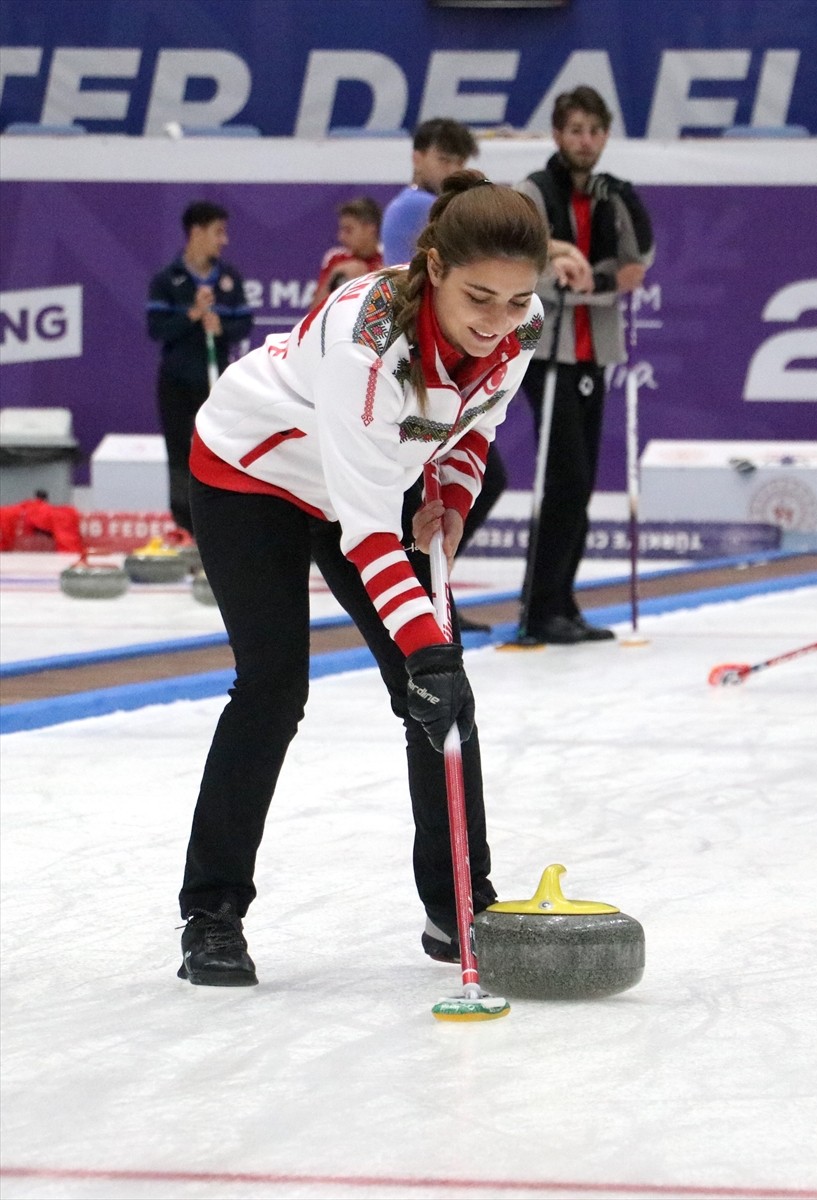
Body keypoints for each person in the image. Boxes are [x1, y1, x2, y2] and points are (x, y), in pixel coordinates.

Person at [176, 171, 548, 987]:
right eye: (479, 299)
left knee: (440, 703)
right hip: (253, 474)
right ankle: (211, 913)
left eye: (516, 303)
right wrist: (433, 656)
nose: (497, 324)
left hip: (363, 479)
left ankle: (460, 905)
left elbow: (474, 424)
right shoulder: (368, 344)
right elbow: (370, 531)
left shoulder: (519, 326)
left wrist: (450, 496)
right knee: (276, 685)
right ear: (435, 268)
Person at [516, 86, 655, 644]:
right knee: (565, 478)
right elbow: (516, 256)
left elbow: (637, 264)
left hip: (593, 350)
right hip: (545, 349)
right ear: (557, 134)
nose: (585, 141)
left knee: (582, 482)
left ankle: (562, 601)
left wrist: (593, 277)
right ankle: (539, 605)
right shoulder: (533, 191)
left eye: (595, 131)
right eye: (575, 130)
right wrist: (562, 270)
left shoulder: (609, 195)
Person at [383, 118, 505, 632]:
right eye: (445, 160)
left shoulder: (416, 209)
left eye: (460, 162)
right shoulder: (413, 208)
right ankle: (426, 593)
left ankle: (434, 590)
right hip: (415, 360)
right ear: (417, 157)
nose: (452, 170)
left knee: (450, 488)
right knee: (429, 491)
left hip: (429, 356)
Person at [146, 200, 252, 536]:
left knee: (221, 451)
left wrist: (221, 328)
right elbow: (156, 328)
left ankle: (221, 525)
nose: (224, 240)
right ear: (197, 232)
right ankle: (184, 527)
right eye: (218, 232)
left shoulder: (229, 279)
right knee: (179, 452)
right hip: (177, 381)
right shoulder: (168, 279)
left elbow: (244, 323)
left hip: (216, 383)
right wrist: (191, 314)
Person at [310, 196, 384, 311]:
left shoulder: (389, 260)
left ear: (370, 229)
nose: (341, 237)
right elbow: (314, 312)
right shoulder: (336, 258)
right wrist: (334, 276)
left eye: (348, 230)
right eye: (341, 230)